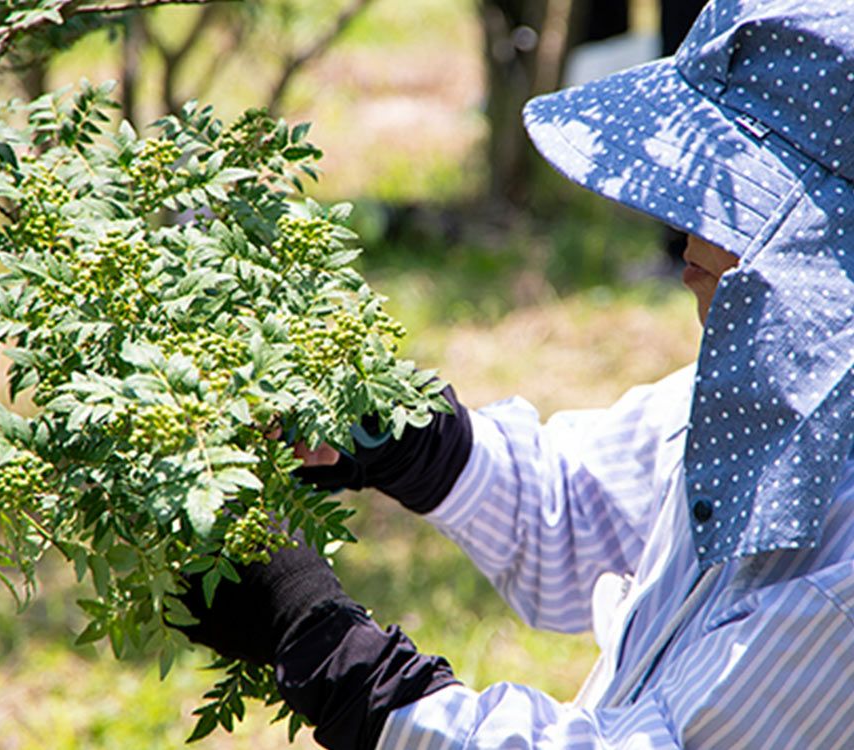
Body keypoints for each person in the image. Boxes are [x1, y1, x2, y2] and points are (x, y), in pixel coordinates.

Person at [179, 0, 854, 747]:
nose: (682, 228)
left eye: (734, 198)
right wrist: (411, 438)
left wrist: (336, 658)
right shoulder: (789, 380)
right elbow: (586, 512)